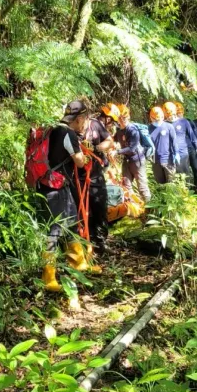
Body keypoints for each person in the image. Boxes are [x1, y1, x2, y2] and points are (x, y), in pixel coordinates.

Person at [38, 100, 91, 292]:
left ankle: (78, 263)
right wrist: (85, 155)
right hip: (55, 187)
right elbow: (79, 162)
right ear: (79, 119)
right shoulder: (68, 133)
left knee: (72, 222)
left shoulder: (52, 129)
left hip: (51, 184)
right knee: (54, 230)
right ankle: (48, 278)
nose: (84, 123)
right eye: (84, 119)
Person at [80, 105, 117, 258]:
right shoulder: (70, 131)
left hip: (95, 175)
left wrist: (97, 148)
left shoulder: (95, 125)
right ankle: (84, 243)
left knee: (100, 208)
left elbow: (109, 140)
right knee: (82, 212)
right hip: (78, 179)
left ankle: (100, 243)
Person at [113, 104, 151, 202]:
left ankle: (149, 208)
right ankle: (132, 207)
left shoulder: (133, 130)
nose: (123, 120)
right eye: (120, 118)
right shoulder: (119, 131)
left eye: (125, 118)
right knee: (126, 185)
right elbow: (113, 140)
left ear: (128, 117)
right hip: (127, 161)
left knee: (142, 187)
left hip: (137, 160)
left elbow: (132, 148)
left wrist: (117, 151)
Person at [174, 101, 197, 195]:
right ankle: (186, 189)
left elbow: (195, 134)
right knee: (184, 171)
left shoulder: (188, 121)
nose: (180, 114)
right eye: (178, 113)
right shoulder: (172, 124)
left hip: (192, 148)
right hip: (181, 151)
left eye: (181, 112)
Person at [148, 106, 177, 184]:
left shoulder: (169, 127)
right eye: (154, 119)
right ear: (151, 117)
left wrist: (176, 153)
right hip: (155, 161)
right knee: (160, 184)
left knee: (171, 183)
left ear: (162, 117)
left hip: (168, 160)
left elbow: (174, 142)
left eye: (158, 119)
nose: (156, 121)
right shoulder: (148, 129)